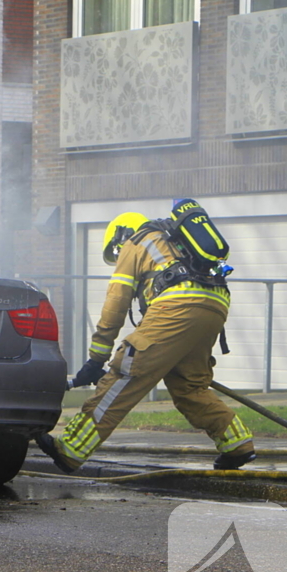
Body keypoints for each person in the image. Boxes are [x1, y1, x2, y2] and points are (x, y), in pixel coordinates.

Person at [36, 200, 257, 472]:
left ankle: (70, 449)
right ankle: (237, 444)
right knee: (190, 387)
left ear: (121, 234)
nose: (118, 257)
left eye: (116, 252)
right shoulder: (175, 244)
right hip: (215, 304)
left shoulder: (136, 241)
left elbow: (116, 301)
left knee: (126, 372)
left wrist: (97, 359)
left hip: (178, 304)